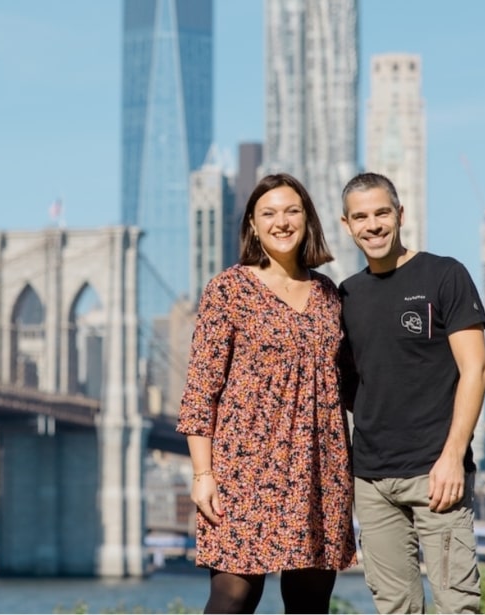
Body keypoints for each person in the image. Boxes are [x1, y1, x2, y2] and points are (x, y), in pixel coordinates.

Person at [177, 173, 357, 614]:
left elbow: (350, 383)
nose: (282, 221)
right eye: (269, 213)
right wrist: (203, 475)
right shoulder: (228, 289)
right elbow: (202, 389)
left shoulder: (330, 294)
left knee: (309, 600)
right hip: (244, 466)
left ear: (308, 219)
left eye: (292, 210)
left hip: (319, 466)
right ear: (253, 226)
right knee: (234, 595)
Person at [337, 172, 485, 614]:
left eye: (382, 213)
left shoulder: (444, 275)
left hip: (436, 471)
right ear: (347, 225)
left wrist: (452, 456)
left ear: (400, 215)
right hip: (371, 480)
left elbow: (475, 369)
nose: (373, 225)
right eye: (361, 217)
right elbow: (352, 387)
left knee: (456, 605)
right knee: (396, 607)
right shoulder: (346, 295)